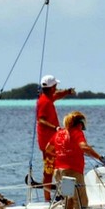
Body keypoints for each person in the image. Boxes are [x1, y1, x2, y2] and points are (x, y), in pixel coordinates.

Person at [49, 111, 105, 209]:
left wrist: (63, 154)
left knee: (68, 199)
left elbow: (48, 149)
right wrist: (100, 158)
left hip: (60, 170)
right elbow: (84, 147)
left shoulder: (59, 133)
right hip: (72, 171)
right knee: (80, 201)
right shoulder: (77, 132)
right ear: (79, 124)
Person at [35, 74, 74, 202]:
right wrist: (55, 128)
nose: (57, 88)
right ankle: (49, 199)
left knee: (61, 167)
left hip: (54, 141)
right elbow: (40, 120)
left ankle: (64, 195)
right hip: (49, 144)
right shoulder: (44, 102)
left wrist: (67, 92)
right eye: (56, 86)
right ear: (52, 87)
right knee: (50, 171)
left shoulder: (47, 97)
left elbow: (58, 95)